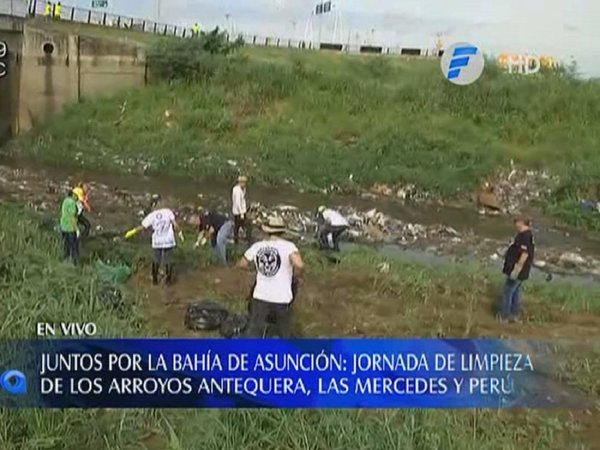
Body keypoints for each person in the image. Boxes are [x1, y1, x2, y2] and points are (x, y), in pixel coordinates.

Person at [238, 216, 304, 338]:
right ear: (282, 232)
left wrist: (256, 269)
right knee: (284, 331)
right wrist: (295, 276)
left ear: (266, 231)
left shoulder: (258, 246)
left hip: (261, 295)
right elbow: (299, 264)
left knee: (255, 331)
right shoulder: (289, 246)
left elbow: (242, 264)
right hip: (282, 297)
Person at [126, 197, 183, 286]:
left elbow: (143, 227)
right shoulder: (168, 212)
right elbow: (175, 224)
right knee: (168, 260)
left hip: (157, 241)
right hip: (168, 240)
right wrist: (180, 233)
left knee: (156, 260)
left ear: (154, 206)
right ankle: (168, 281)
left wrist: (133, 231)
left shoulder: (151, 215)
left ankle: (155, 280)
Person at [499, 217, 535, 322]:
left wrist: (516, 269)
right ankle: (514, 314)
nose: (515, 224)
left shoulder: (525, 236)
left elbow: (524, 254)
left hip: (518, 270)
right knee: (515, 292)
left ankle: (504, 316)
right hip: (520, 270)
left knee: (508, 291)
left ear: (521, 222)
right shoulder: (526, 235)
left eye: (516, 222)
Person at [60, 189, 80, 264]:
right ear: (72, 195)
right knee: (73, 246)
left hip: (63, 226)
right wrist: (76, 229)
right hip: (70, 227)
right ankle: (73, 262)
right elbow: (72, 216)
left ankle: (65, 259)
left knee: (66, 244)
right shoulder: (72, 203)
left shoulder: (65, 201)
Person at [232, 175, 251, 244]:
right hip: (238, 212)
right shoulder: (237, 190)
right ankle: (248, 240)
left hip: (241, 210)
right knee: (246, 225)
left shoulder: (243, 188)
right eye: (243, 182)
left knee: (237, 226)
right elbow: (237, 202)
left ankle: (236, 240)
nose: (244, 184)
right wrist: (241, 213)